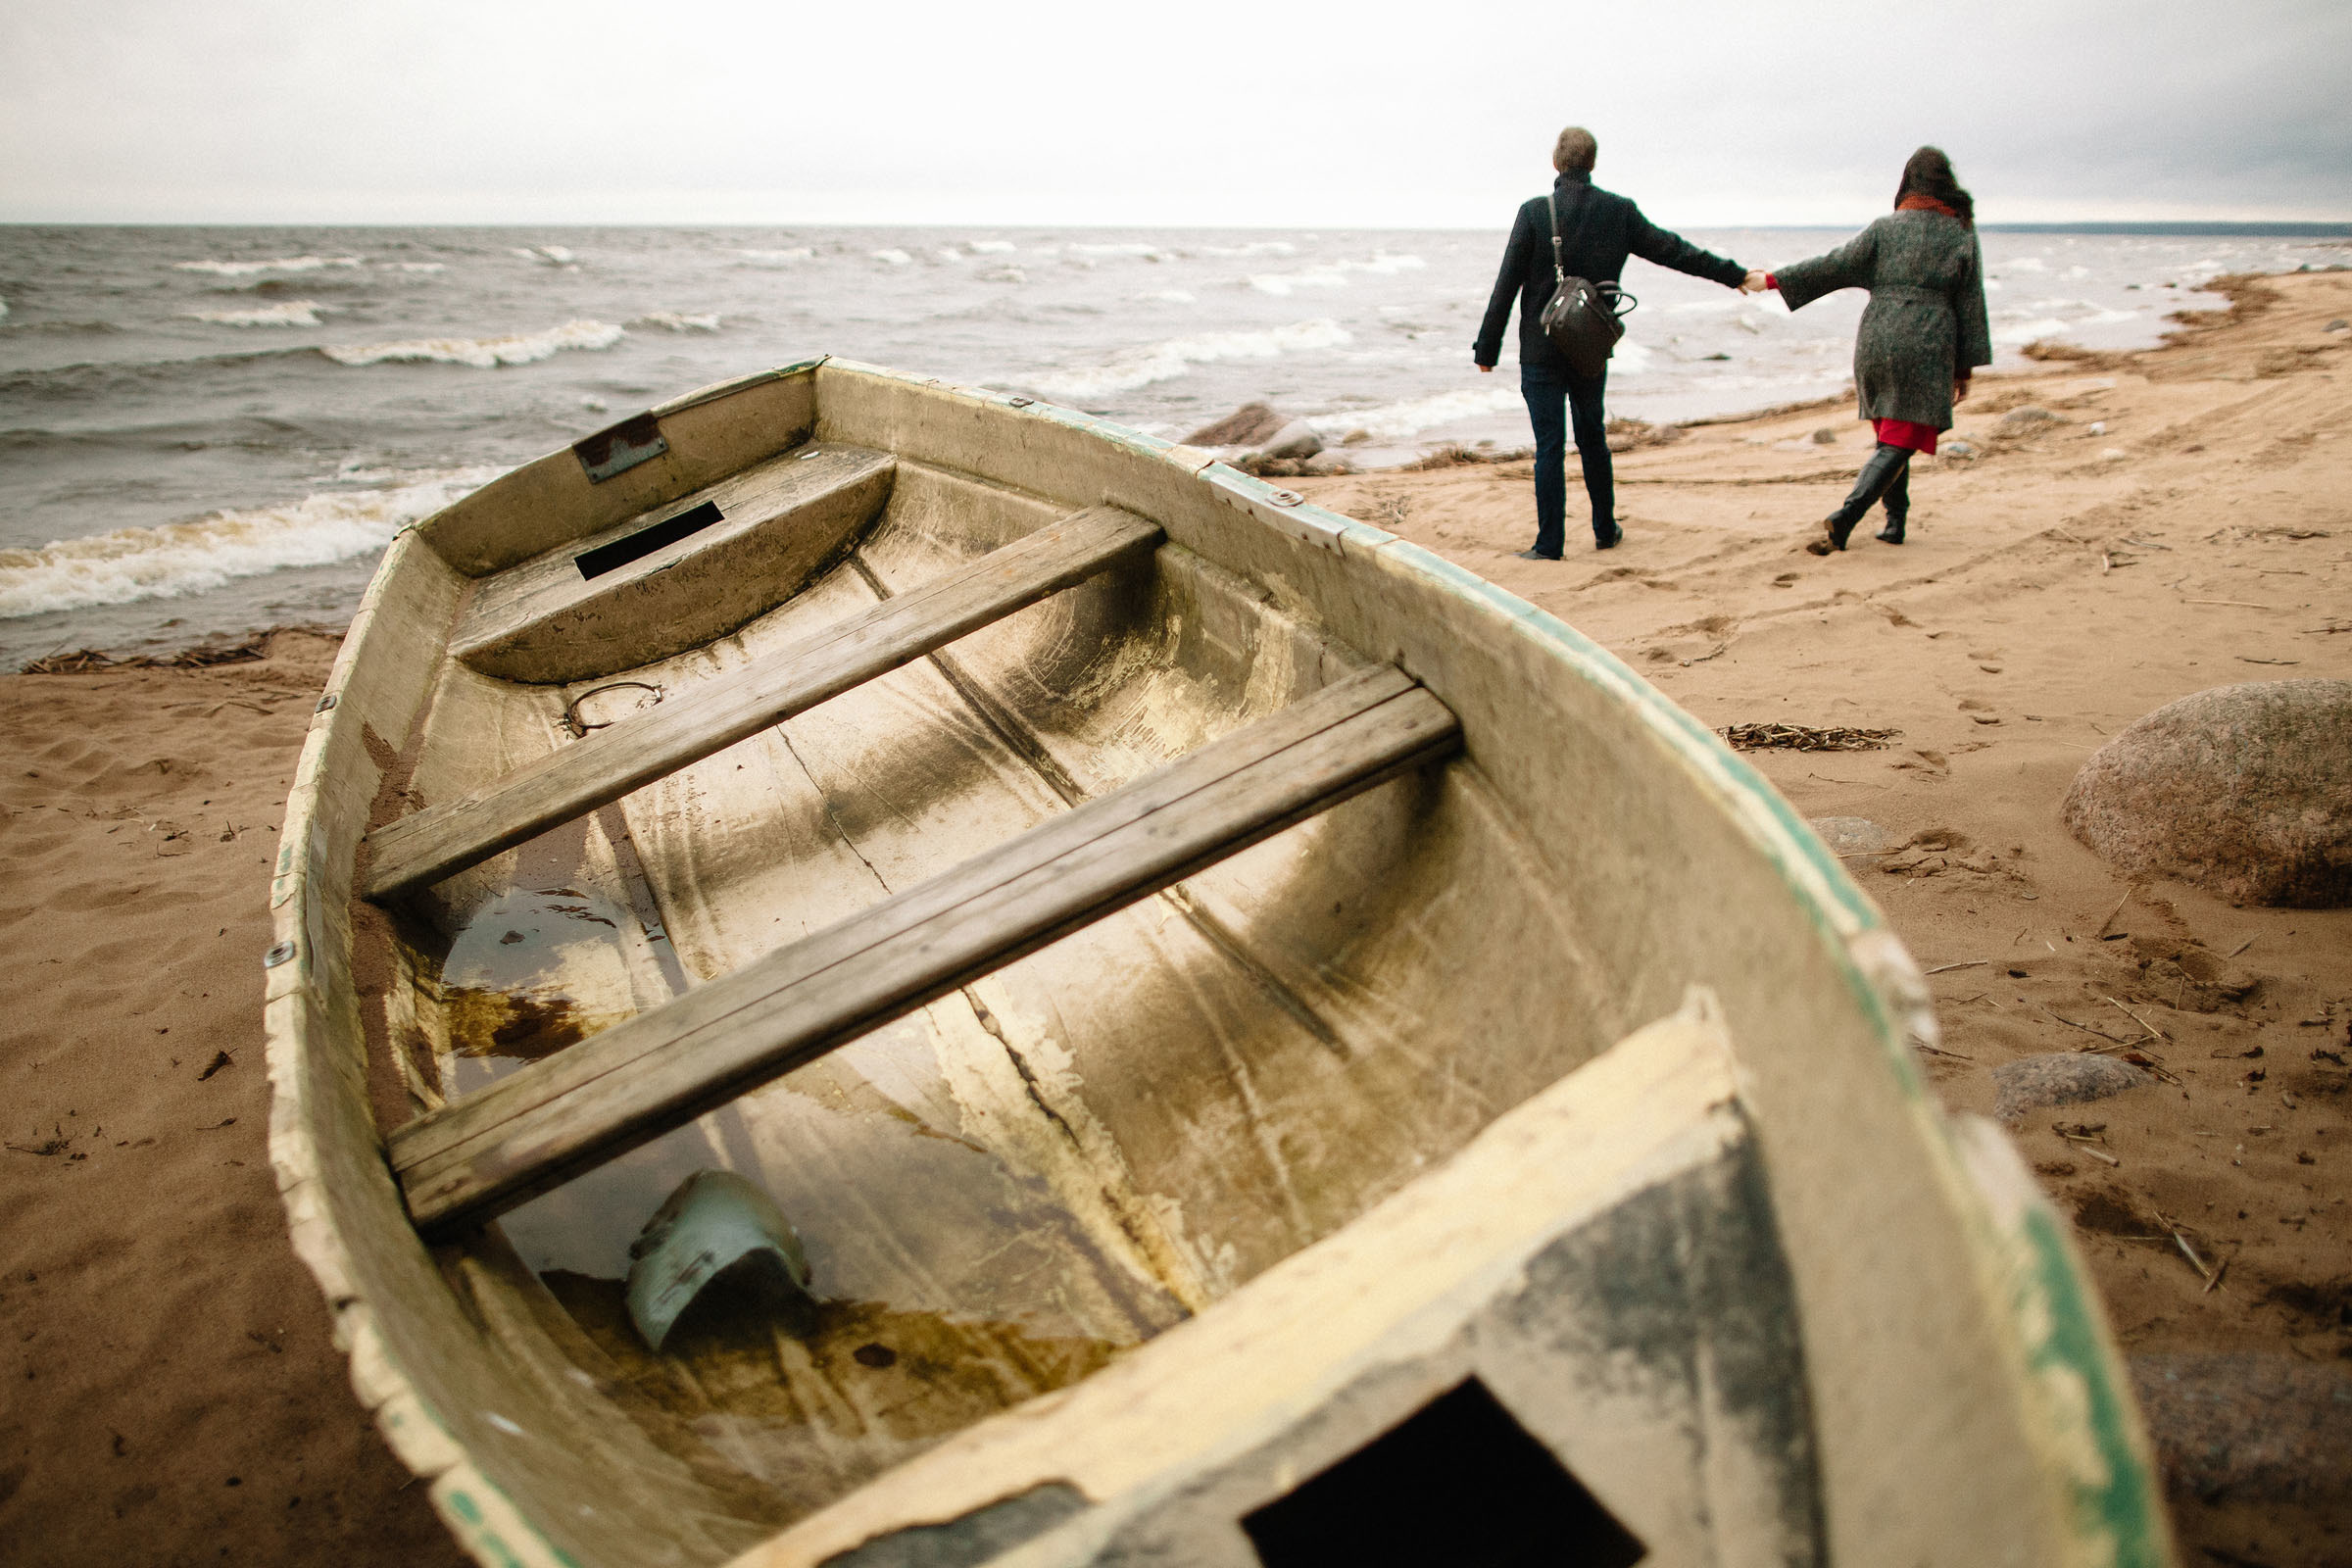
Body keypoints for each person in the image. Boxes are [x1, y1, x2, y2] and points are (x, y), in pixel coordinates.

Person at [1474, 125, 1764, 557]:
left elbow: (1507, 283)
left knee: (1549, 446)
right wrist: (1733, 274)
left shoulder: (1534, 212)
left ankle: (1549, 544)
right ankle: (1605, 530)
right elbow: (1674, 251)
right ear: (1592, 163)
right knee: (1593, 437)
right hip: (1589, 347)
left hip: (1540, 348)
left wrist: (1487, 349)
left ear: (1555, 162)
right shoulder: (1619, 211)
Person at [1763, 146, 1992, 554]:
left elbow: (1834, 264)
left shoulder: (1884, 228)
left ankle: (1894, 522)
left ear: (1907, 183)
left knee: (1891, 435)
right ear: (1947, 185)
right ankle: (1847, 516)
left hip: (1876, 339)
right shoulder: (1959, 231)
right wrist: (1964, 369)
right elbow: (1970, 302)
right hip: (1927, 339)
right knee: (1899, 439)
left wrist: (1776, 279)